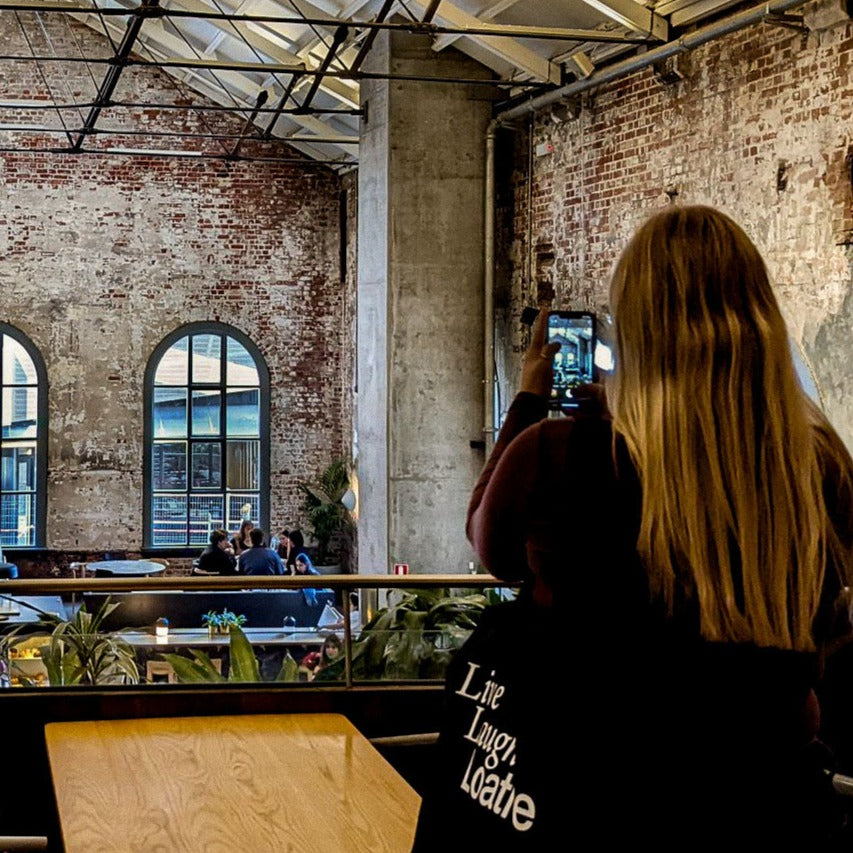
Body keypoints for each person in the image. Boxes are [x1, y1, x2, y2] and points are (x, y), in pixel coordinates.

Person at [412, 205, 853, 850]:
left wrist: (532, 398)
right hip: (767, 801)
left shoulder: (562, 452)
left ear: (633, 334)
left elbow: (491, 545)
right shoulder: (819, 464)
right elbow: (830, 621)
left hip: (598, 790)